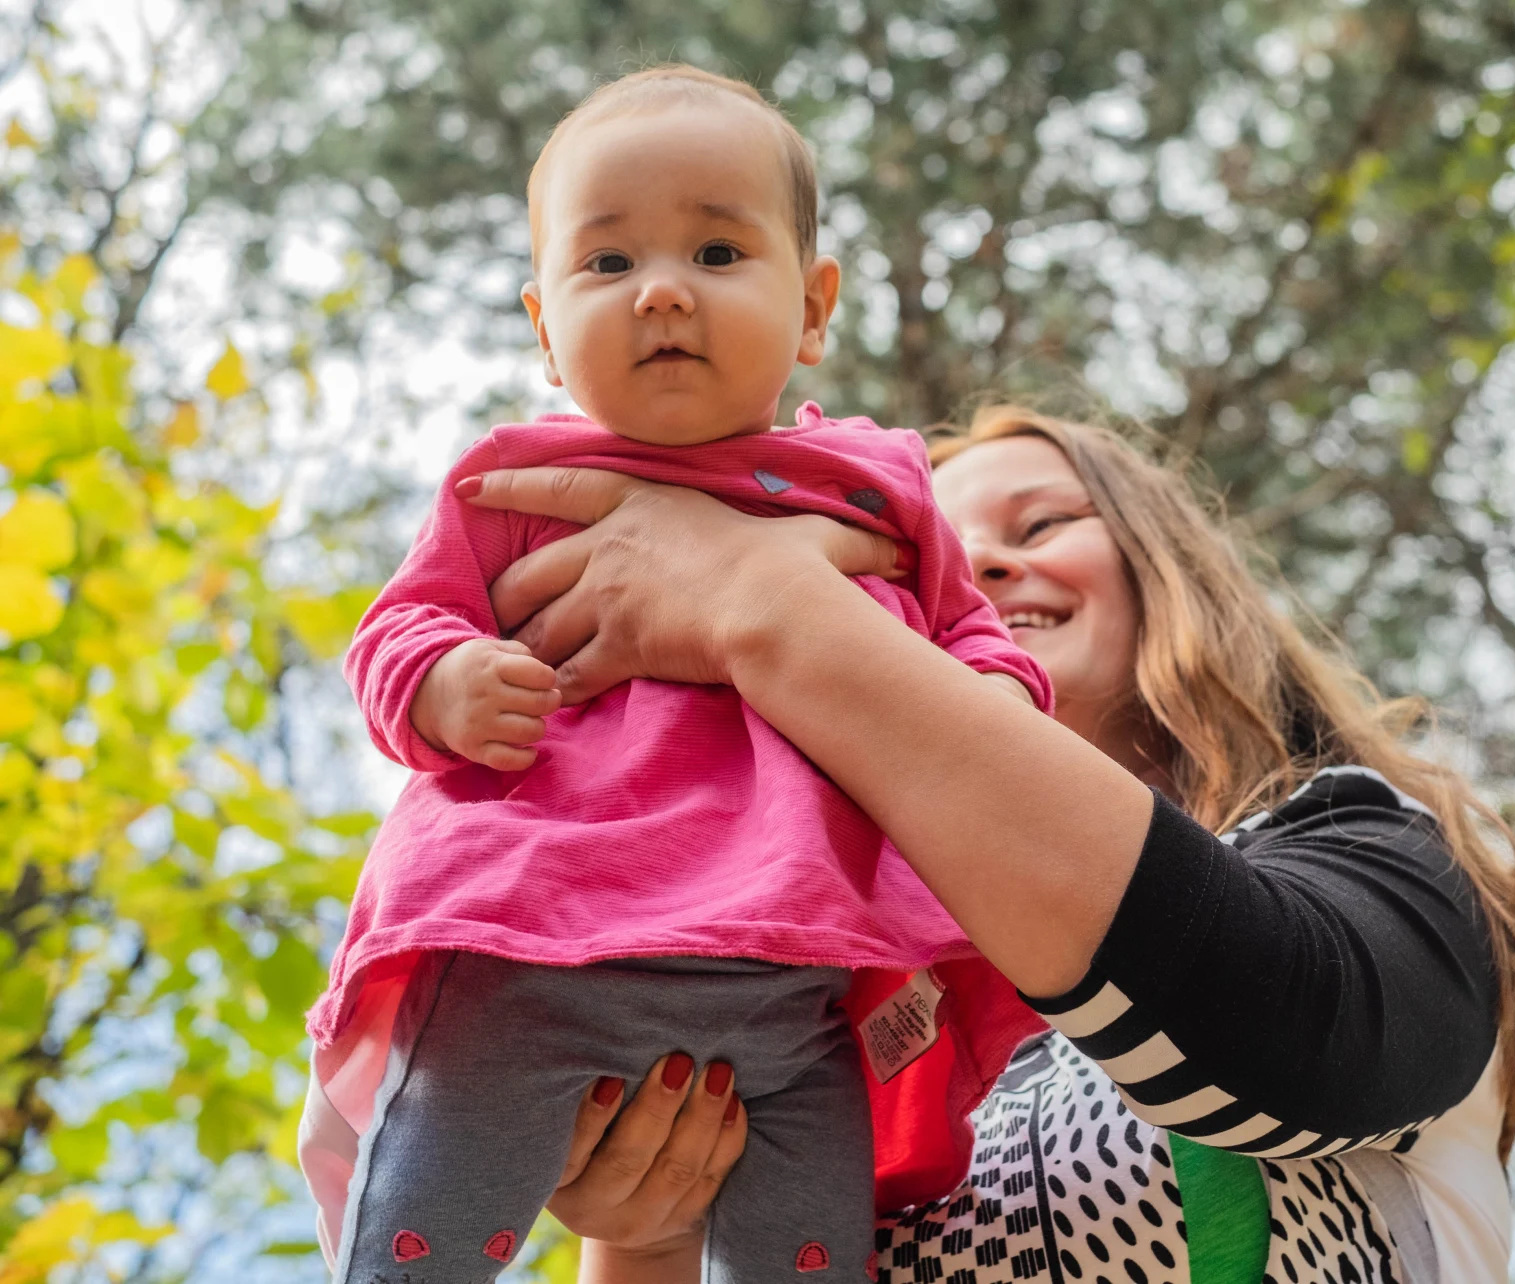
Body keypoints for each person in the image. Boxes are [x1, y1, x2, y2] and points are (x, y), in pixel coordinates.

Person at [455, 405, 1515, 1283]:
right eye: (920, 559)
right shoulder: (813, 1014)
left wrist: (769, 601)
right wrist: (643, 1230)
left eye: (1039, 526)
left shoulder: (1363, 855)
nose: (981, 569)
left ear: (1167, 569)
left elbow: (1282, 1035)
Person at [296, 66, 1055, 1284]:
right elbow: (394, 631)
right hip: (528, 947)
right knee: (416, 1250)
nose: (659, 291)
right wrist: (444, 685)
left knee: (811, 1249)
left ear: (812, 311)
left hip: (798, 986)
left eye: (714, 249)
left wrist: (994, 713)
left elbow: (979, 647)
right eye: (606, 266)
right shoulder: (511, 488)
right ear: (544, 330)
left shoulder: (879, 491)